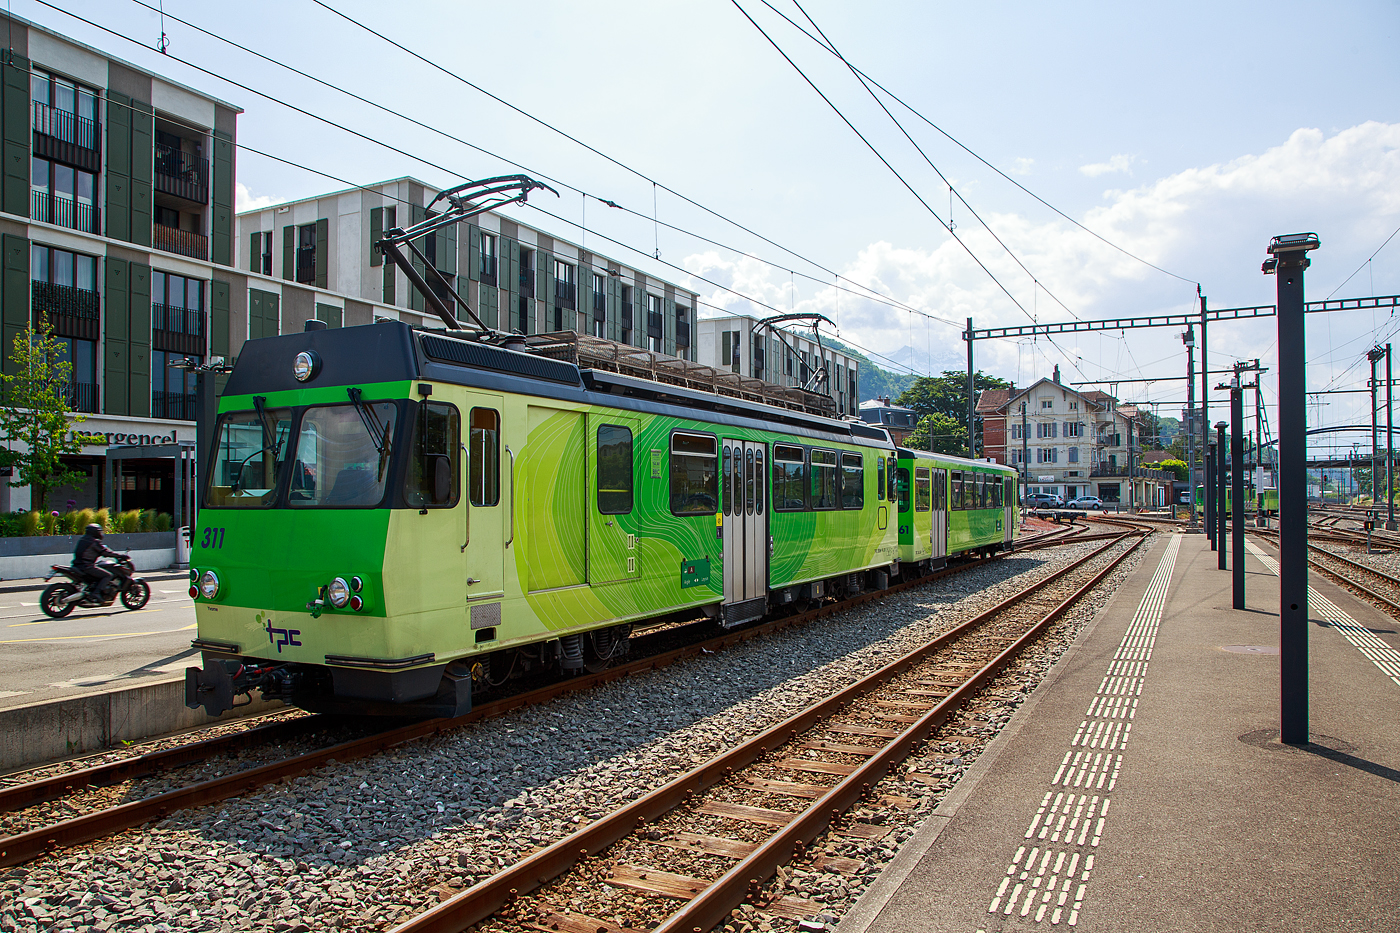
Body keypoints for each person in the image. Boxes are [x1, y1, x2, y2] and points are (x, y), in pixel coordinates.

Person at [72, 523, 123, 599]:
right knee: (108, 575)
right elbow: (105, 552)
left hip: (77, 565)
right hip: (87, 566)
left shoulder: (82, 539)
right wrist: (120, 556)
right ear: (95, 532)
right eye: (99, 531)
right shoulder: (94, 542)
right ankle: (96, 593)